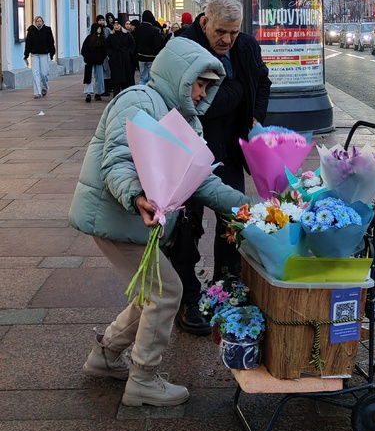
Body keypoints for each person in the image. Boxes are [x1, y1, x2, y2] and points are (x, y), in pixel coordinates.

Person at [69, 38, 249, 407]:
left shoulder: (182, 117)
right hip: (118, 218)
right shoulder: (138, 100)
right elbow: (117, 160)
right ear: (178, 75)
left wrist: (249, 210)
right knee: (167, 293)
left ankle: (104, 357)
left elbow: (201, 180)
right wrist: (137, 196)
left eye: (207, 86)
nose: (202, 93)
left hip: (136, 222)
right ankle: (143, 380)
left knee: (150, 294)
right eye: (199, 83)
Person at [169, 0, 270, 334]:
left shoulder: (247, 48)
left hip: (228, 152)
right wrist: (239, 91)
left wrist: (255, 114)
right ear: (204, 23)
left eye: (234, 32)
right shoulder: (183, 46)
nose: (227, 40)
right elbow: (203, 106)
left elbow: (263, 81)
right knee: (187, 226)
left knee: (233, 223)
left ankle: (224, 289)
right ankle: (187, 299)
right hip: (190, 152)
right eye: (221, 32)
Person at [24, 15, 55, 98]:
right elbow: (28, 44)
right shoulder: (31, 31)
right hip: (34, 55)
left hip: (44, 54)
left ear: (43, 22)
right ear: (35, 22)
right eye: (37, 21)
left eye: (40, 21)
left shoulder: (47, 30)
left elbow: (51, 42)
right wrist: (26, 55)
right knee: (35, 73)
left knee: (44, 73)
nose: (39, 22)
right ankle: (37, 92)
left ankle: (44, 86)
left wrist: (52, 53)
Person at [105, 20, 136, 95]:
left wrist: (128, 52)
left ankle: (125, 95)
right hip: (115, 59)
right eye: (115, 25)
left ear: (121, 26)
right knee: (116, 79)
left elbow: (133, 44)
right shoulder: (110, 36)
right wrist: (111, 54)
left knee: (126, 78)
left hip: (125, 58)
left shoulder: (127, 34)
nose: (116, 26)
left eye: (118, 25)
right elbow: (107, 47)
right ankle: (116, 96)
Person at [136, 9, 164, 84]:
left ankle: (141, 91)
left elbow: (135, 42)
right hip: (152, 57)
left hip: (140, 56)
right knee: (151, 78)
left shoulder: (138, 29)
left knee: (142, 77)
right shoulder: (155, 30)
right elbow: (158, 45)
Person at [81, 21, 107, 102]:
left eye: (100, 28)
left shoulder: (103, 38)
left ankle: (98, 93)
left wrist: (102, 57)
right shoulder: (89, 38)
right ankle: (88, 92)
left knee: (99, 77)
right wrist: (87, 57)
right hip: (90, 61)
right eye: (98, 28)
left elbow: (105, 50)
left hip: (99, 61)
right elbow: (84, 49)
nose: (99, 30)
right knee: (89, 77)